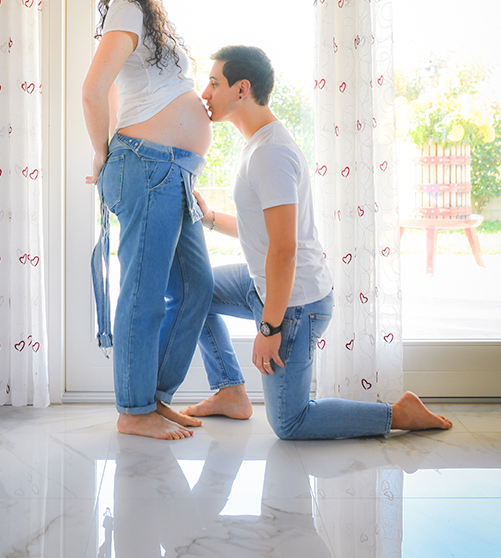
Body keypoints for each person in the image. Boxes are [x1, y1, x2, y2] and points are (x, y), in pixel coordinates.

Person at [181, 45, 452, 439]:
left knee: (290, 423)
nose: (204, 93)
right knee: (195, 290)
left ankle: (396, 414)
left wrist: (270, 327)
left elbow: (285, 249)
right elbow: (265, 232)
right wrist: (209, 219)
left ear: (242, 89)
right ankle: (230, 392)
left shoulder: (269, 153)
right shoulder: (258, 144)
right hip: (267, 286)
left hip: (295, 304)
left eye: (213, 82)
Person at [83, 0, 214, 440]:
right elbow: (93, 89)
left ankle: (151, 397)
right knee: (144, 291)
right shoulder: (128, 7)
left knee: (195, 287)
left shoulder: (147, 10)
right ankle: (133, 411)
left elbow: (120, 91)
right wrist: (102, 153)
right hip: (147, 165)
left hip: (171, 171)